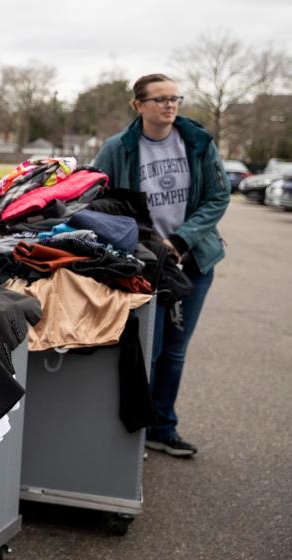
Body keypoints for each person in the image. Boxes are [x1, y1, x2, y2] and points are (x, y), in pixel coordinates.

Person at [93, 73, 229, 457]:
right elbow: (100, 201)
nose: (170, 105)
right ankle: (132, 433)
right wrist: (148, 243)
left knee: (175, 351)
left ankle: (163, 427)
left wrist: (182, 240)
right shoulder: (118, 148)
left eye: (175, 98)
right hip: (145, 264)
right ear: (139, 105)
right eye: (160, 99)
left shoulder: (198, 143)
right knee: (145, 351)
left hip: (194, 261)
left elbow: (218, 198)